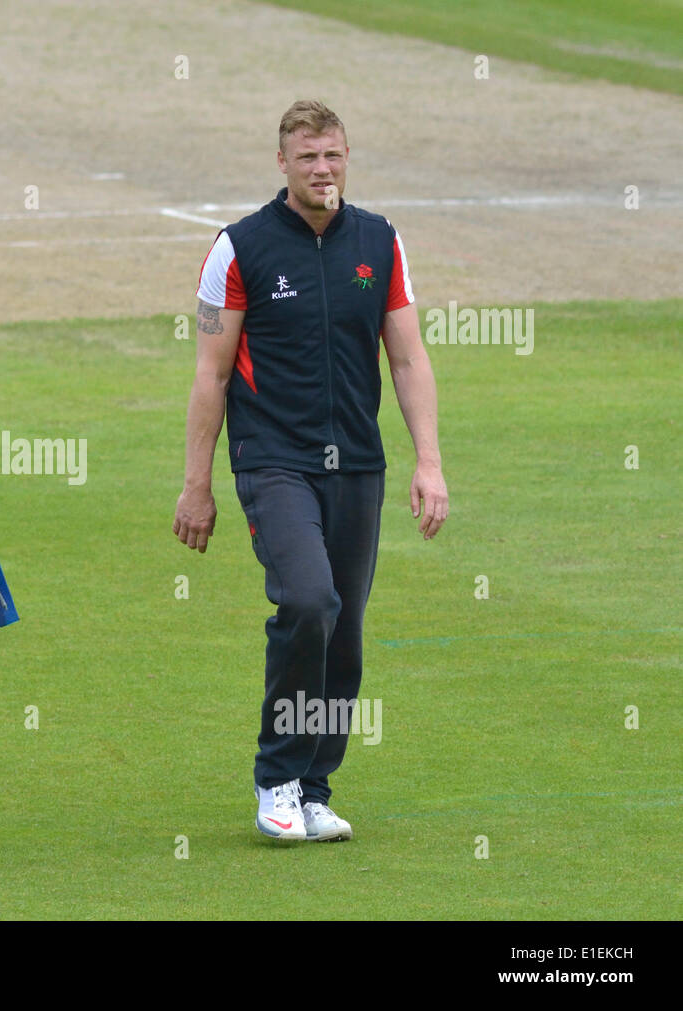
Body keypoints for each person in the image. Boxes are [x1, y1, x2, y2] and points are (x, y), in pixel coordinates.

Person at [173, 100, 448, 843]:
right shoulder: (241, 247)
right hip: (273, 459)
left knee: (345, 632)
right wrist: (197, 484)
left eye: (332, 155)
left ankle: (315, 787)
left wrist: (429, 461)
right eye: (306, 158)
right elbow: (211, 374)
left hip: (358, 462)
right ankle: (277, 777)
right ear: (282, 164)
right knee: (308, 599)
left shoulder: (380, 242)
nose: (321, 169)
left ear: (347, 155)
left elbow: (408, 357)